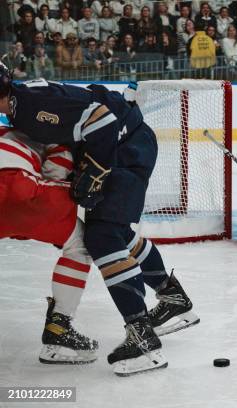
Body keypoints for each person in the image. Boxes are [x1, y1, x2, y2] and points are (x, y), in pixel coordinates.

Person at [0, 66, 199, 376]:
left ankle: (144, 339)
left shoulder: (27, 107)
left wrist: (96, 169)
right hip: (122, 143)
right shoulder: (20, 104)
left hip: (125, 146)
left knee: (103, 237)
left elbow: (101, 118)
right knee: (115, 233)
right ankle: (172, 296)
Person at [0, 126, 97, 364]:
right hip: (19, 189)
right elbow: (60, 162)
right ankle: (59, 329)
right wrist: (43, 219)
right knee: (79, 244)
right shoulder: (41, 128)